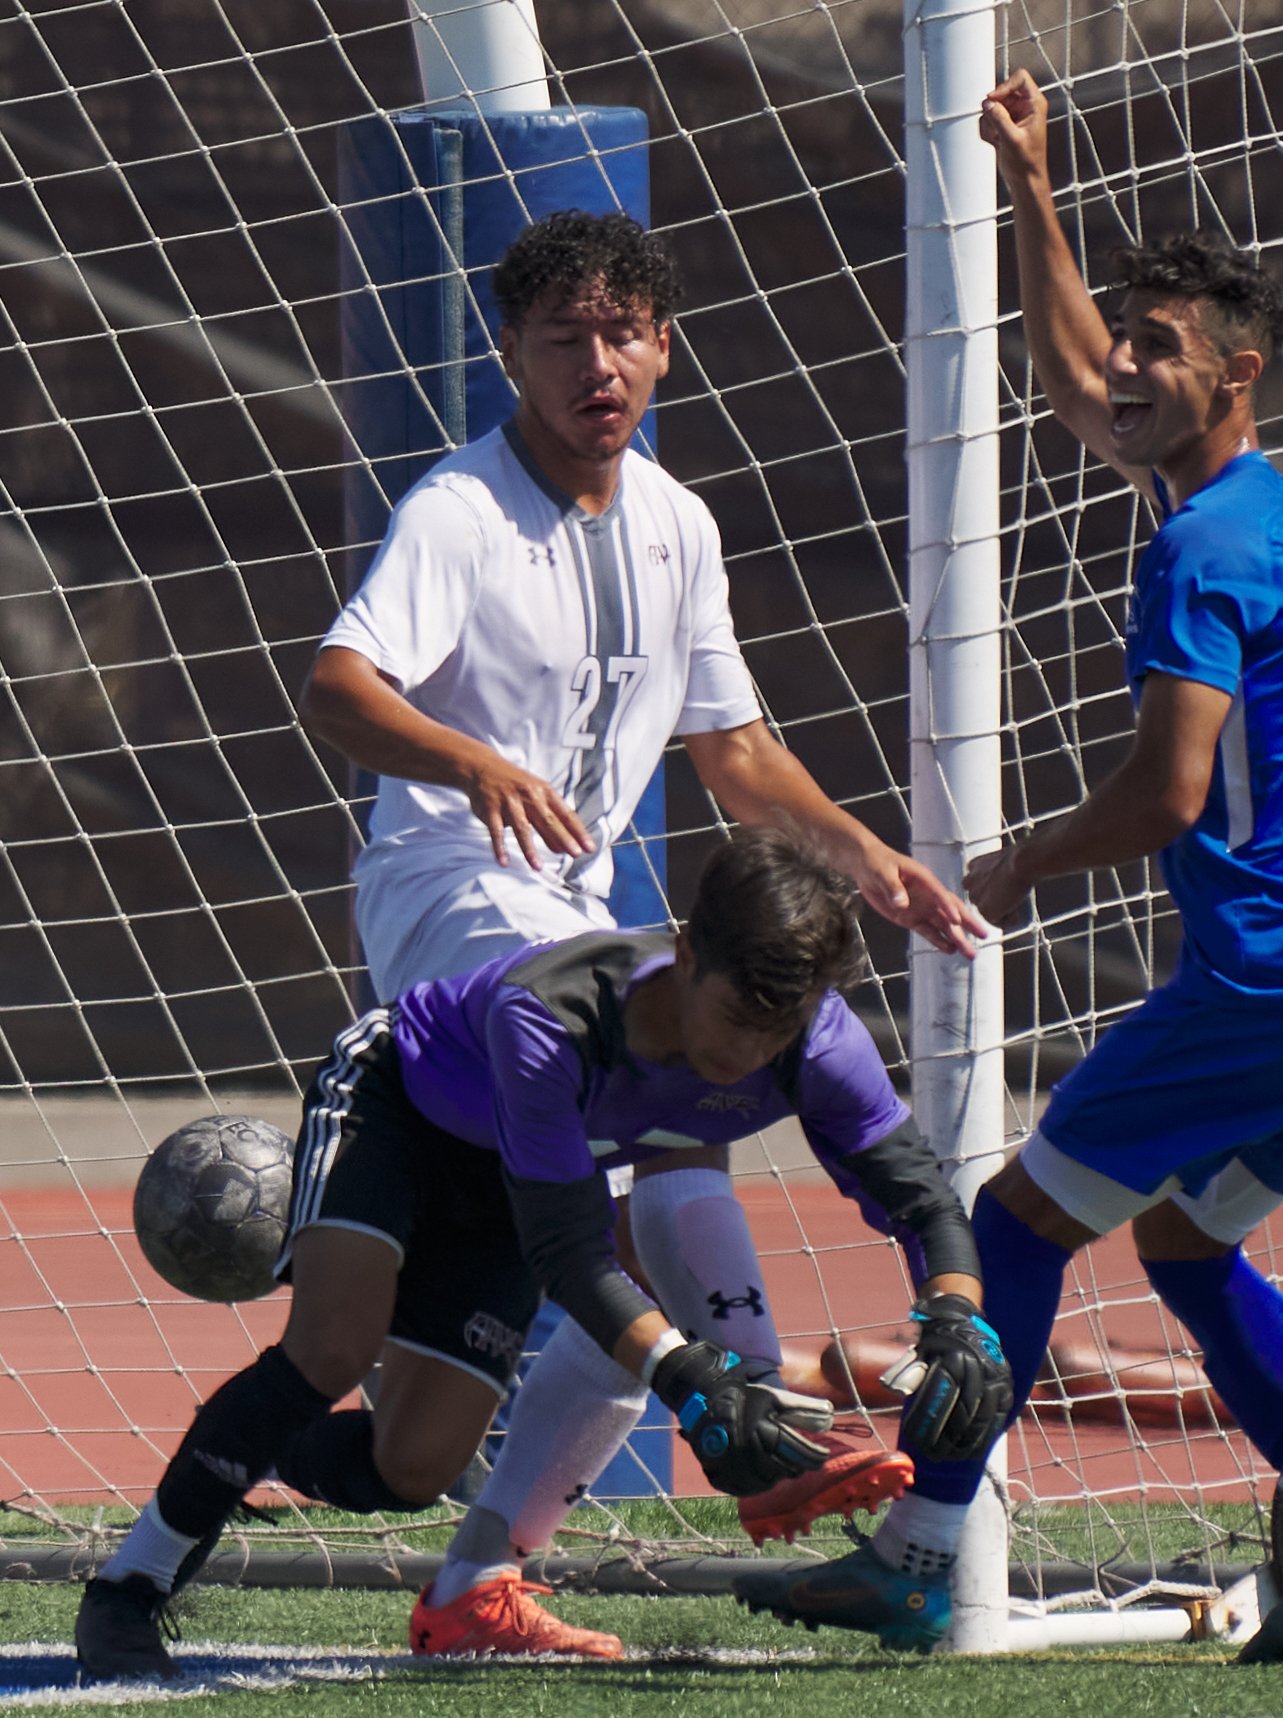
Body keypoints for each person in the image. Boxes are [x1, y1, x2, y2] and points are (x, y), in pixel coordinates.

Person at [735, 69, 1283, 1663]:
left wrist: (1021, 862)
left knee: (1017, 1221)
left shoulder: (1199, 547)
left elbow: (1171, 788)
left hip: (1277, 982)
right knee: (1186, 1239)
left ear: (1237, 375)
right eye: (1125, 336)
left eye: (1160, 349)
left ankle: (920, 1553)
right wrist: (1036, 187)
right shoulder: (1268, 505)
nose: (1123, 364)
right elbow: (1071, 379)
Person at [297, 211, 988, 1647]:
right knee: (636, 1182)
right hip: (452, 889)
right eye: (563, 338)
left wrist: (869, 860)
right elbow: (339, 685)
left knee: (626, 1254)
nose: (595, 364)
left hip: (577, 900)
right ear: (510, 354)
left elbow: (732, 749)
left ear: (663, 347)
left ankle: (474, 1579)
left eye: (621, 334)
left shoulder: (679, 522)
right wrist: (472, 762)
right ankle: (762, 1406)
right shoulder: (458, 511)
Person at [75, 830, 1012, 1680]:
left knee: (414, 1470)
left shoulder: (817, 1039)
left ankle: (238, 1446)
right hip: (397, 1110)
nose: (749, 1051)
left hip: (502, 1178)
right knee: (331, 1347)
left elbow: (919, 1195)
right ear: (686, 954)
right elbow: (568, 1248)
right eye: (736, 1015)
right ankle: (129, 1590)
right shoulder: (551, 1017)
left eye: (780, 1027)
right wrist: (690, 1377)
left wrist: (959, 1315)